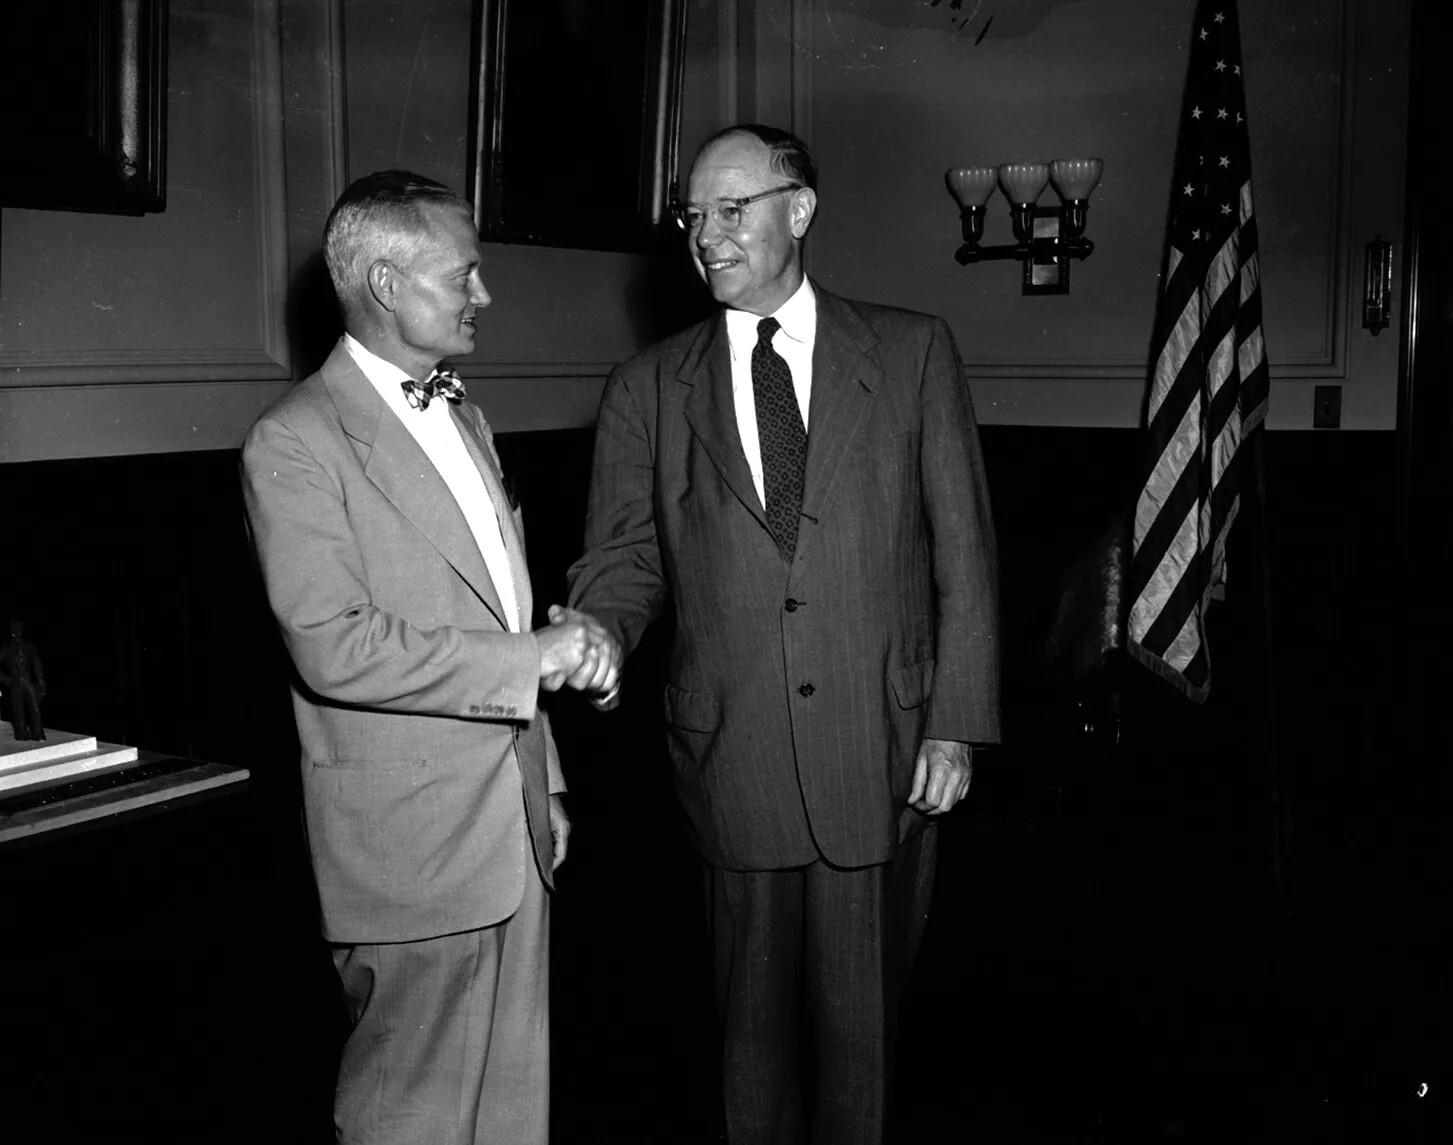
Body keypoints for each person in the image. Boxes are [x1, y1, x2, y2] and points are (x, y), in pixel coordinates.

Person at [567, 125, 1001, 1143]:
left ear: (797, 209)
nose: (704, 237)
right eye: (691, 217)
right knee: (747, 1047)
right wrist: (596, 628)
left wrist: (955, 724)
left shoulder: (909, 350)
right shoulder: (647, 387)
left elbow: (965, 556)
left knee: (867, 1040)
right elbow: (625, 558)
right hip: (732, 753)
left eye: (731, 211)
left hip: (883, 749)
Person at [241, 170, 617, 1145]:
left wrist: (553, 781)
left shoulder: (465, 416)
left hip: (514, 827)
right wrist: (535, 658)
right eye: (466, 273)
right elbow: (334, 644)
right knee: (405, 1118)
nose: (483, 294)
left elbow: (499, 603)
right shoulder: (293, 443)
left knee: (508, 1117)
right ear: (383, 282)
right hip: (410, 850)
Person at [0, 619, 47, 741]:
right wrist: (6, 680)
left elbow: (36, 664)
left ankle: (38, 732)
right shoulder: (7, 648)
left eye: (19, 628)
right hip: (15, 683)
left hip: (28, 682)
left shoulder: (29, 646)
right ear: (12, 631)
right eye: (15, 628)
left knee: (35, 707)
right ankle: (21, 733)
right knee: (18, 709)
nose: (18, 631)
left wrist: (41, 680)